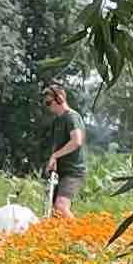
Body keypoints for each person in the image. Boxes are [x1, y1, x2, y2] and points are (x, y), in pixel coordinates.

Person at [43, 79, 88, 214]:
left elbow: (76, 141)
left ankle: (80, 234)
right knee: (53, 212)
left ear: (60, 99)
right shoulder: (57, 121)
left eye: (49, 102)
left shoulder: (71, 117)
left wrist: (55, 155)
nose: (48, 106)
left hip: (73, 171)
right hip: (60, 172)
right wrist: (53, 161)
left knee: (61, 207)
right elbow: (57, 146)